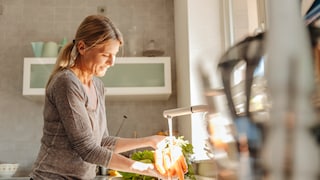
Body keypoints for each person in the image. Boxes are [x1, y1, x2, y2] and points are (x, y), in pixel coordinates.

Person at [29, 15, 168, 180]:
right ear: (82, 47)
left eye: (114, 55)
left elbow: (102, 142)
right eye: (105, 55)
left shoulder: (98, 87)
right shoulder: (66, 83)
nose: (112, 62)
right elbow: (87, 149)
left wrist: (150, 141)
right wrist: (146, 169)